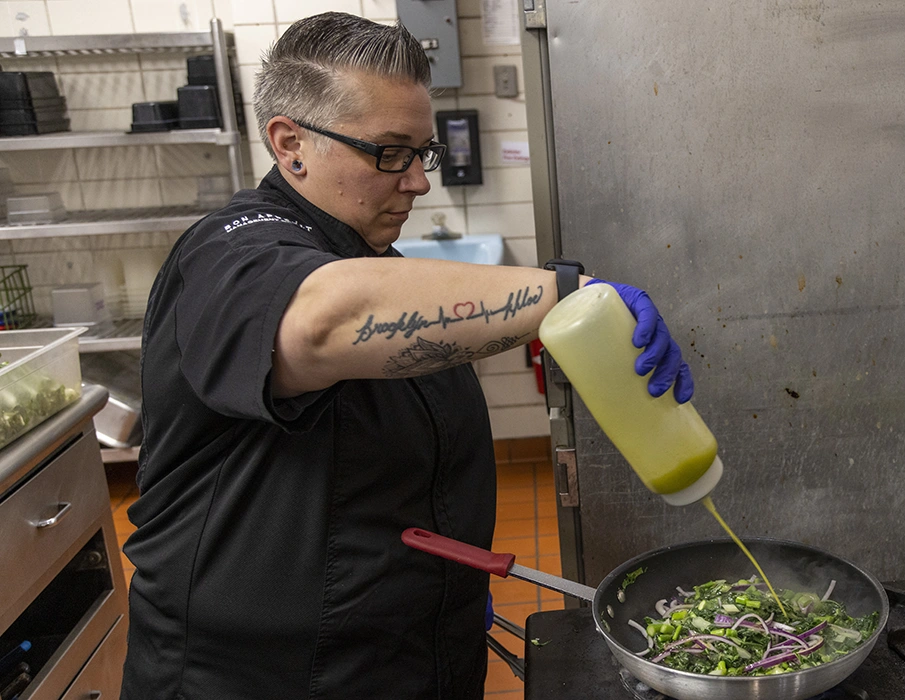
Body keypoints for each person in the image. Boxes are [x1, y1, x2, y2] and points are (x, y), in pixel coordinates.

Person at [121, 12, 692, 700]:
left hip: (409, 658)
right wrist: (567, 294)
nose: (418, 182)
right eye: (390, 153)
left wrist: (445, 596)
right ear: (290, 142)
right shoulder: (227, 254)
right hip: (264, 678)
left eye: (422, 153)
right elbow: (322, 320)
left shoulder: (373, 259)